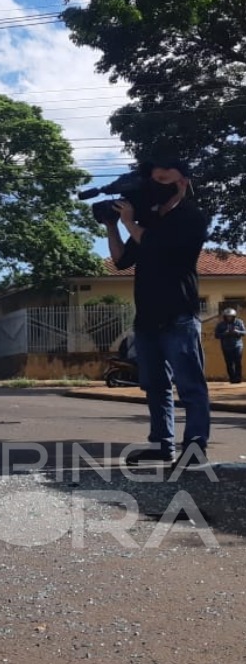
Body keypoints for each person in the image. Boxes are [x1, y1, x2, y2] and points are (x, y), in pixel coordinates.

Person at [104, 158, 210, 467]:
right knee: (155, 386)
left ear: (182, 183)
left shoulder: (191, 218)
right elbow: (122, 260)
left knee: (190, 386)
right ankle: (163, 444)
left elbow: (157, 247)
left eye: (165, 179)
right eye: (155, 180)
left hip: (179, 315)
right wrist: (113, 226)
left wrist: (128, 223)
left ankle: (195, 447)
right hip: (147, 318)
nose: (158, 185)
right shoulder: (148, 221)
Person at [215, 307, 245, 384]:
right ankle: (232, 378)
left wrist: (237, 331)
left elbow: (244, 332)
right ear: (225, 317)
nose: (229, 318)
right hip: (226, 346)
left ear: (234, 316)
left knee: (238, 362)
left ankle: (238, 378)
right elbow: (216, 335)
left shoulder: (239, 322)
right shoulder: (220, 324)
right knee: (229, 363)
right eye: (227, 316)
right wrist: (225, 333)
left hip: (238, 345)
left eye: (231, 316)